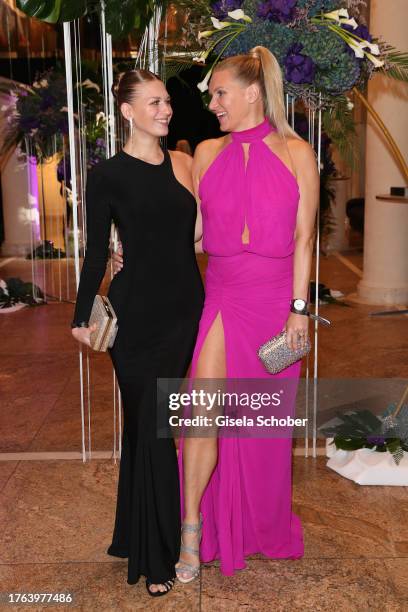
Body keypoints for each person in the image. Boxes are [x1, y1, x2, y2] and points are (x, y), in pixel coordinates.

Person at [113, 46, 319, 580]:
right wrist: (132, 249)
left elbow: (304, 241)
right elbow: (194, 234)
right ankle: (190, 527)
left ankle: (257, 522)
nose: (213, 102)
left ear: (253, 93)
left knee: (259, 428)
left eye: (220, 92)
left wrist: (299, 311)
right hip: (223, 296)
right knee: (203, 413)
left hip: (275, 303)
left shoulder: (299, 154)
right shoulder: (204, 152)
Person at [71, 69, 204, 596]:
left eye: (167, 102)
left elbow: (197, 234)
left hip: (182, 312)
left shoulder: (183, 163)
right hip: (134, 319)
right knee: (154, 429)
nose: (165, 111)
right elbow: (95, 253)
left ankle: (132, 534)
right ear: (126, 111)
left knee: (149, 426)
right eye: (153, 103)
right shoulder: (107, 175)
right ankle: (157, 558)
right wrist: (82, 318)